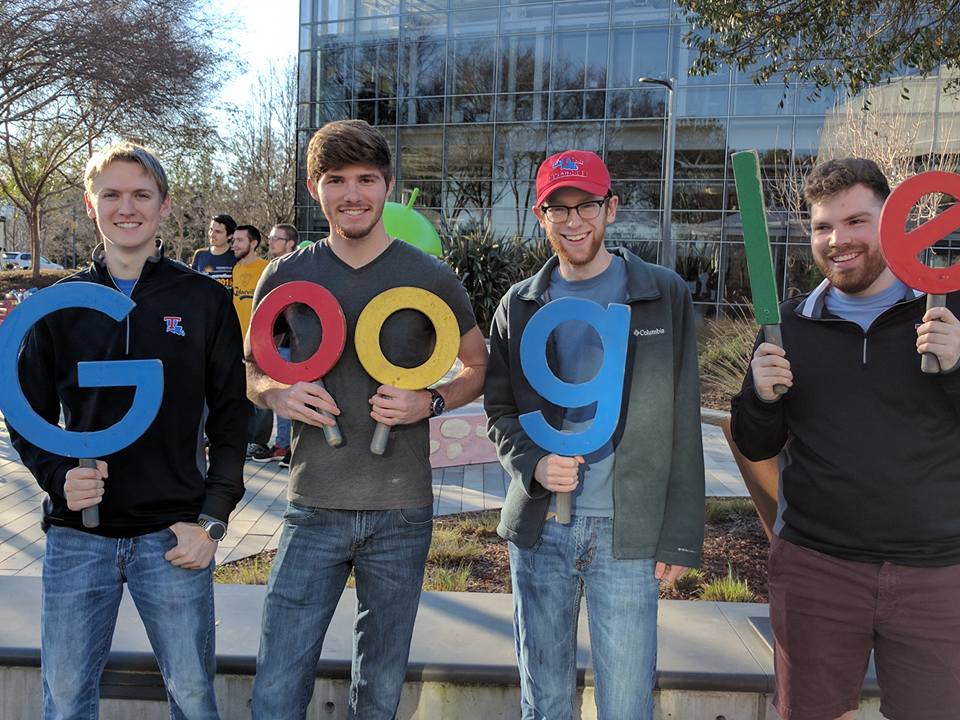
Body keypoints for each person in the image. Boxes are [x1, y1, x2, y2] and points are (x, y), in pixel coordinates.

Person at [247, 119, 488, 719]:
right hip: (312, 504)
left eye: (366, 179)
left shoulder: (430, 275)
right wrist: (275, 394)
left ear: (387, 186)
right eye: (336, 180)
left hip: (401, 511)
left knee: (379, 693)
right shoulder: (286, 274)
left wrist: (429, 401)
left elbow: (479, 367)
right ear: (314, 188)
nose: (351, 194)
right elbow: (248, 370)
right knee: (276, 686)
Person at [7, 141, 247, 719]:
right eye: (111, 194)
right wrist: (58, 475)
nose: (127, 207)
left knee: (193, 699)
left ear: (163, 205)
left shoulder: (203, 299)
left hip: (174, 536)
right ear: (91, 205)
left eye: (141, 194)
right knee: (65, 703)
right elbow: (24, 413)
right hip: (77, 537)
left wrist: (213, 518)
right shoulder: (56, 305)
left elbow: (235, 415)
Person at [731, 157, 960, 720]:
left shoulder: (947, 315)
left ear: (891, 224)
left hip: (937, 573)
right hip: (817, 570)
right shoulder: (788, 326)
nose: (839, 240)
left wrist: (956, 368)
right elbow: (756, 443)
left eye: (857, 221)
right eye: (823, 227)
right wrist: (761, 398)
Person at [484, 150, 705, 720]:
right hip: (541, 530)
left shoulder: (662, 292)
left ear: (611, 208)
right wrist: (532, 462)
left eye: (586, 205)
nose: (573, 220)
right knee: (546, 700)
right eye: (558, 208)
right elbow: (500, 410)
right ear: (541, 216)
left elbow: (683, 414)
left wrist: (680, 534)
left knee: (628, 702)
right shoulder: (520, 303)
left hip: (628, 534)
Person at [250, 223, 300, 466]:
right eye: (270, 238)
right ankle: (282, 445)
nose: (270, 242)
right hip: (275, 341)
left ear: (290, 243)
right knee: (278, 394)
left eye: (276, 238)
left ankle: (287, 446)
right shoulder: (274, 269)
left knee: (290, 395)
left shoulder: (298, 268)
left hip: (293, 344)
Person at [231, 224, 273, 459]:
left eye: (239, 240)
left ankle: (260, 442)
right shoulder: (236, 269)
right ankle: (245, 439)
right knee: (243, 393)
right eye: (233, 240)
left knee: (261, 392)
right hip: (237, 342)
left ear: (253, 243)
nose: (234, 244)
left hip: (261, 343)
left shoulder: (266, 269)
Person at [191, 213, 237, 290]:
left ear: (230, 235)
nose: (212, 234)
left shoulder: (236, 256)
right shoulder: (199, 254)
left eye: (218, 232)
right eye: (211, 229)